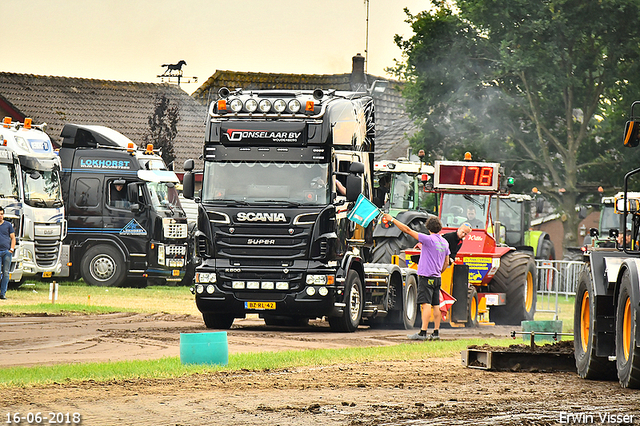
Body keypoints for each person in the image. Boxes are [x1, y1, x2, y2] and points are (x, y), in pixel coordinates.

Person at [383, 213, 450, 341]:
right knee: (436, 305)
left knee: (426, 305)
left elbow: (407, 230)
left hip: (426, 277)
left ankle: (423, 332)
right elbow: (446, 262)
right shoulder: (445, 243)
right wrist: (439, 272)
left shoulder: (428, 239)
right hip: (437, 278)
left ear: (428, 228)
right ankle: (436, 333)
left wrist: (392, 220)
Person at [0, 206, 16, 300]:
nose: (0, 216)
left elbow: (13, 237)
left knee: (6, 273)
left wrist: (12, 249)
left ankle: (3, 293)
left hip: (6, 252)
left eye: (2, 214)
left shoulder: (8, 225)